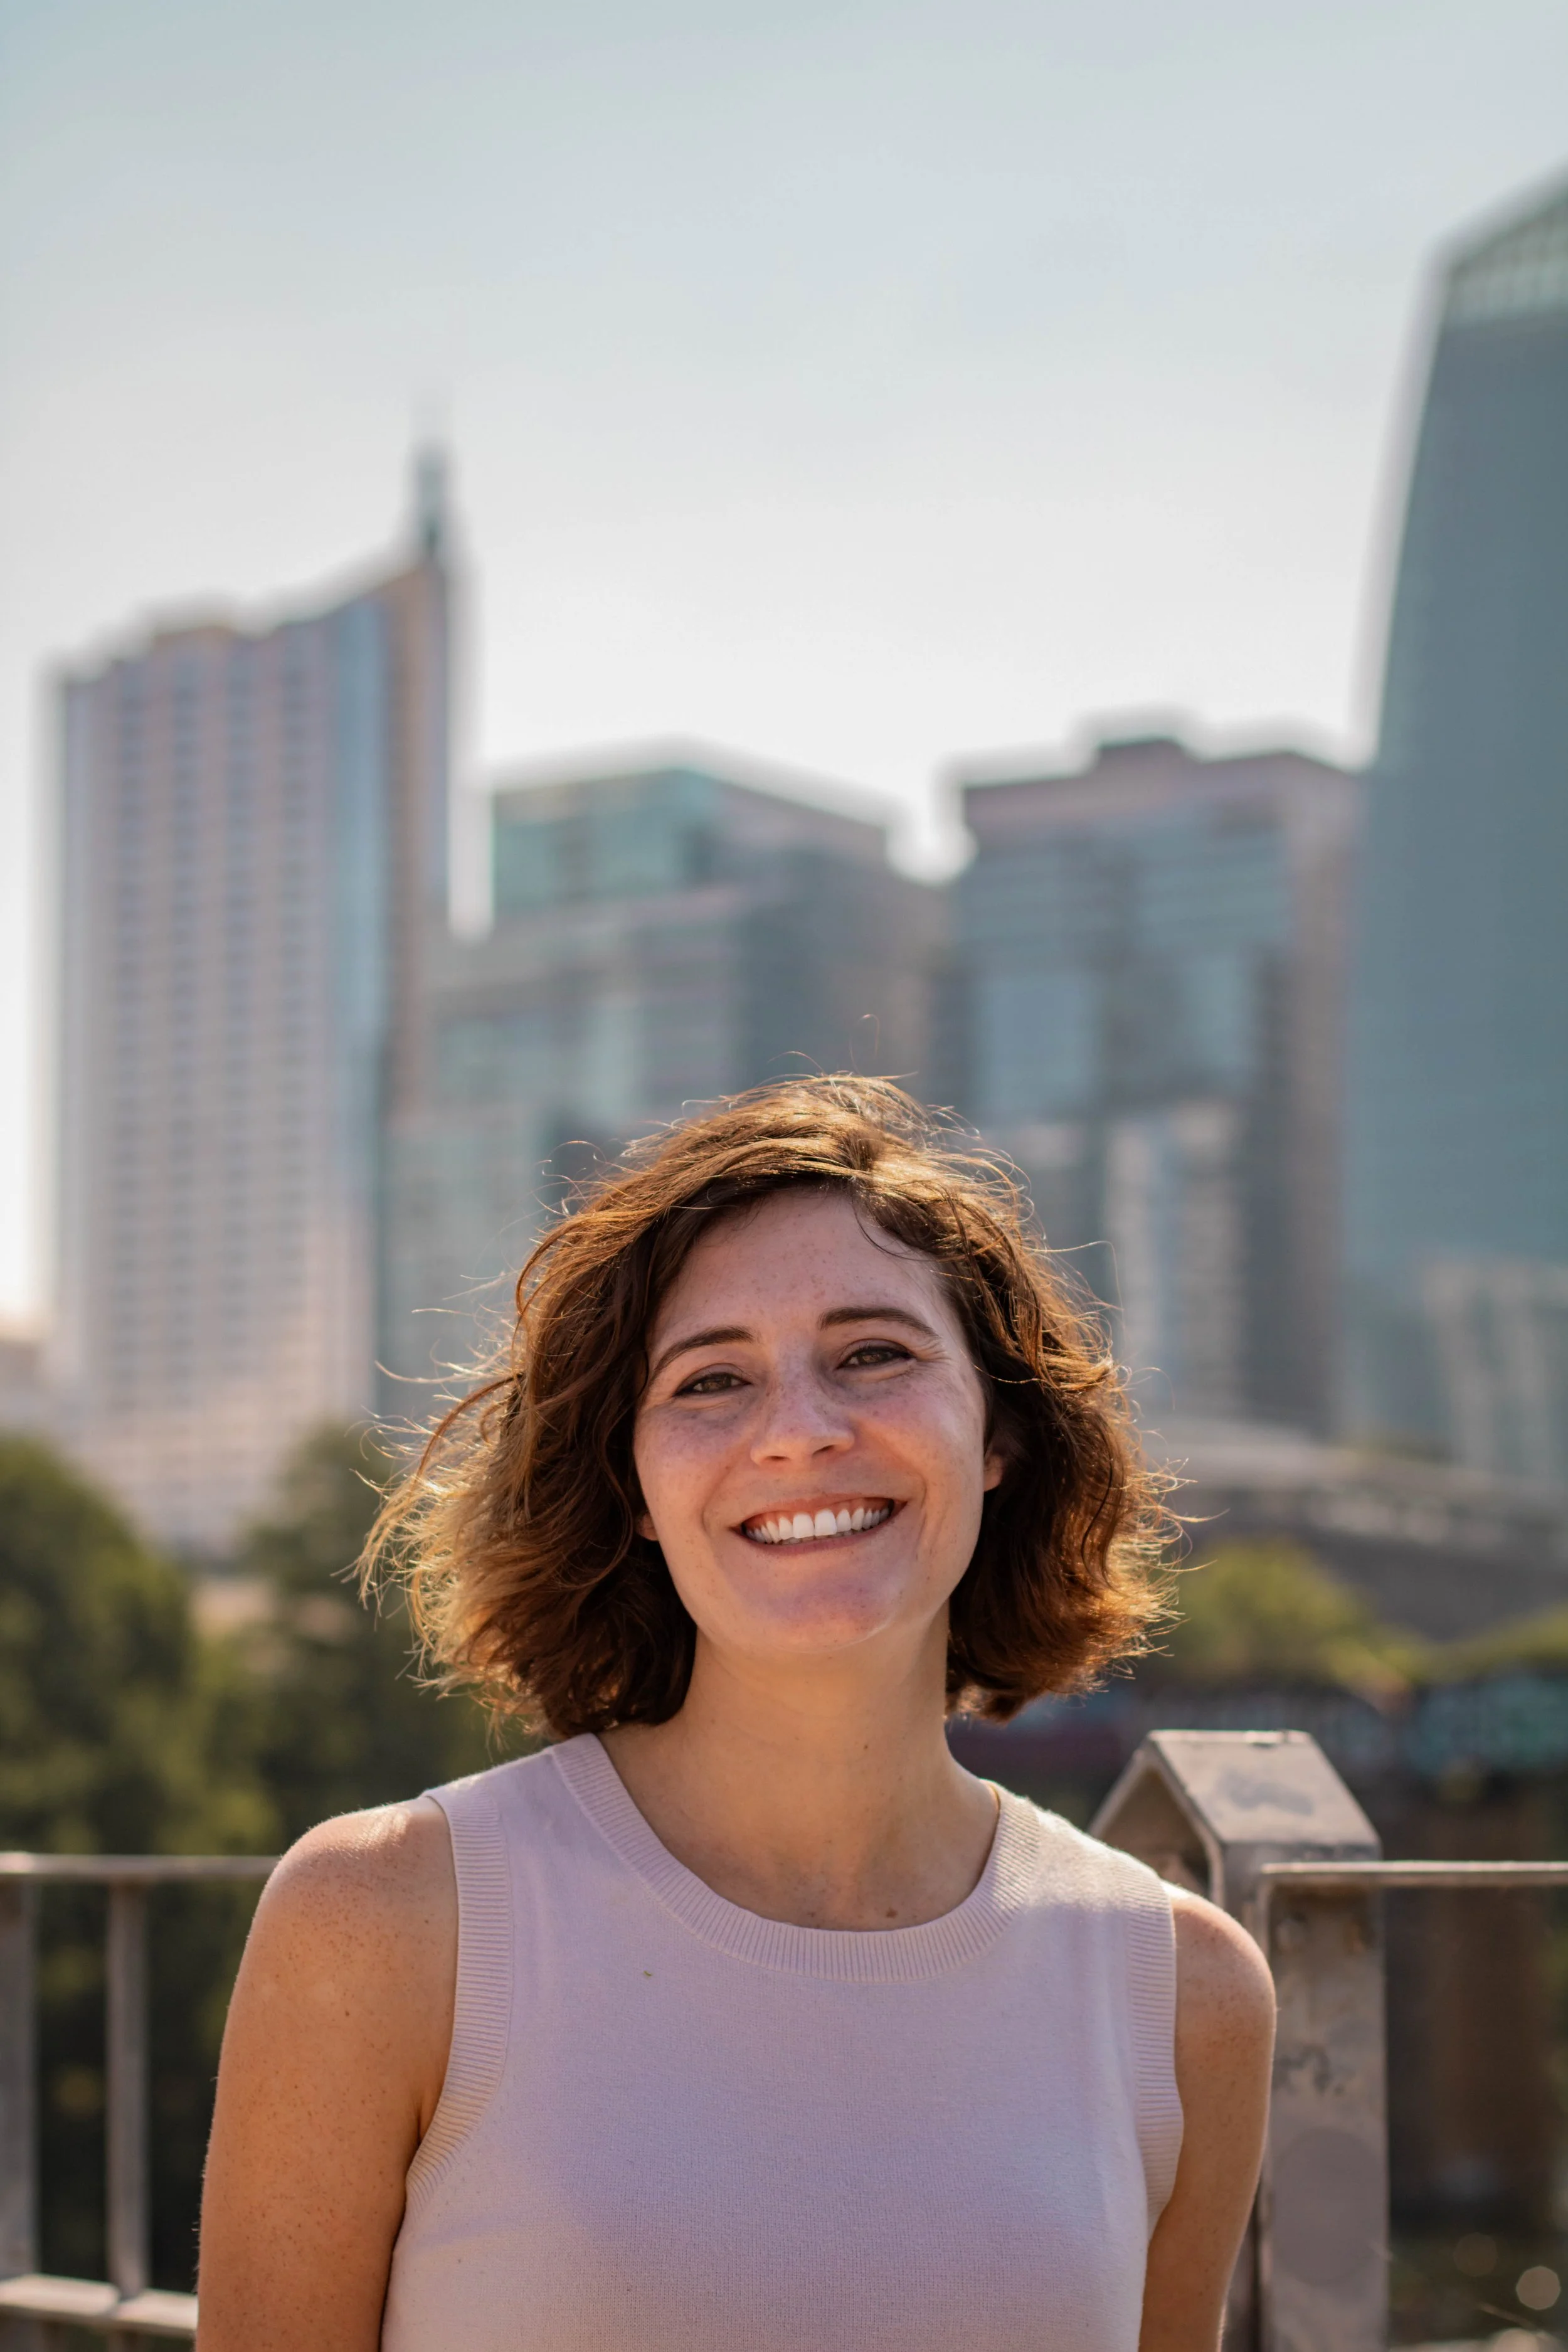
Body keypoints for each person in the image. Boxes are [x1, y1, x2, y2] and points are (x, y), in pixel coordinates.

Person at [198, 1078, 1274, 2352]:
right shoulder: (383, 1921)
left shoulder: (1186, 1995)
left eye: (874, 1355)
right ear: (636, 1488)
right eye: (711, 1380)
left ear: (1000, 1435)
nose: (798, 1434)